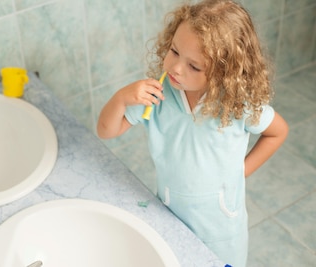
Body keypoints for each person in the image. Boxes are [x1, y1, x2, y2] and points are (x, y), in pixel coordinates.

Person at [97, 0, 288, 266]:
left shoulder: (236, 104)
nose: (176, 68)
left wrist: (239, 171)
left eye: (194, 66)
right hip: (171, 217)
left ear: (224, 72)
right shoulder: (158, 96)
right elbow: (107, 131)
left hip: (221, 231)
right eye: (174, 51)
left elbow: (278, 132)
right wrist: (120, 98)